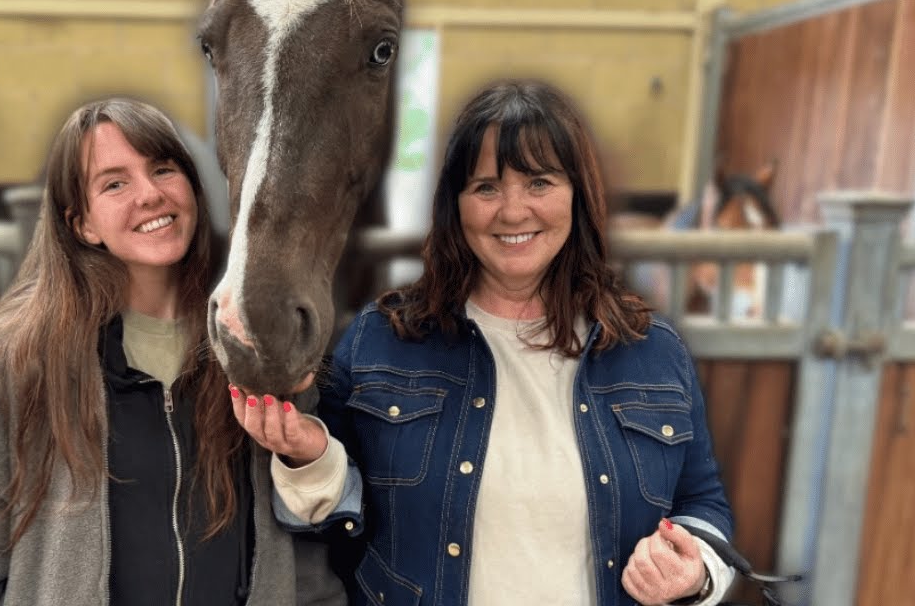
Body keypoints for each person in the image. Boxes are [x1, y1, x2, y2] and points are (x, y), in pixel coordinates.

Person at [233, 80, 737, 605]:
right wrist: (309, 457)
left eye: (539, 183)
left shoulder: (651, 349)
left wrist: (696, 574)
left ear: (578, 196)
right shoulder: (382, 338)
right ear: (456, 205)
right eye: (486, 188)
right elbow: (335, 523)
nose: (513, 211)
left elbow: (702, 501)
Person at [0, 97, 345, 605]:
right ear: (82, 224)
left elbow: (306, 556)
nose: (150, 195)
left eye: (162, 169)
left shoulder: (252, 341)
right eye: (115, 183)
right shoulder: (13, 360)